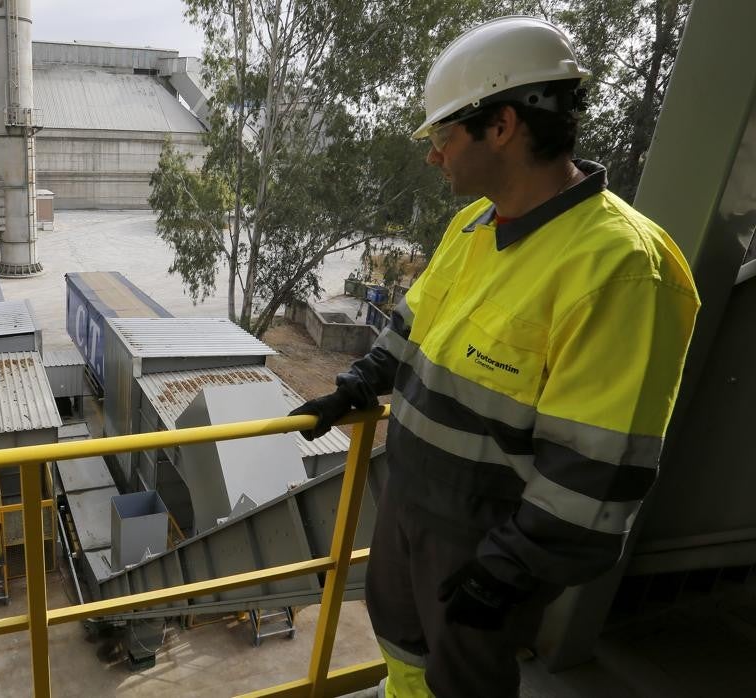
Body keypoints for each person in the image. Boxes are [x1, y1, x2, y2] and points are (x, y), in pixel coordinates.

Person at [290, 16, 699, 698]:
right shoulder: (474, 225)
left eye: (443, 136)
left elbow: (598, 463)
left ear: (502, 125)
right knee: (400, 640)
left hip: (488, 538)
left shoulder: (622, 268)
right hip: (411, 497)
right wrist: (359, 382)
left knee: (467, 677)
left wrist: (511, 567)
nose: (433, 155)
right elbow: (414, 324)